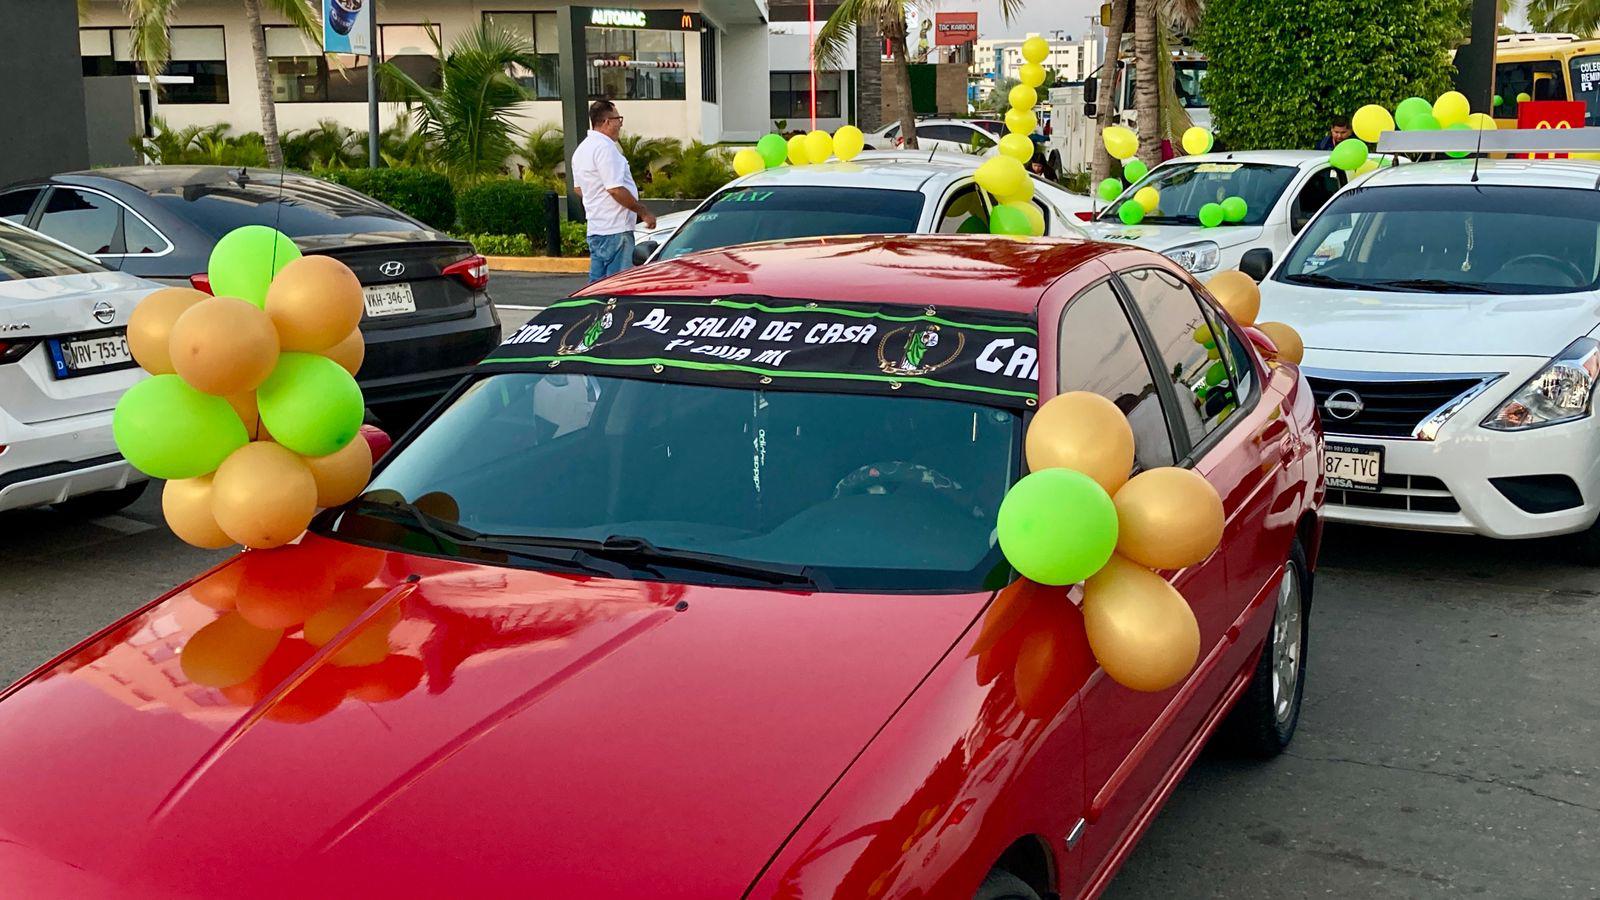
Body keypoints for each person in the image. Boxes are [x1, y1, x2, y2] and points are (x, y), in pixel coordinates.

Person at [572, 99, 656, 281]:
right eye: (618, 119)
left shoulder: (581, 150)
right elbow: (615, 189)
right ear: (607, 122)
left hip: (596, 229)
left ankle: (593, 311)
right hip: (616, 230)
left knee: (597, 288)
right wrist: (643, 212)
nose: (620, 124)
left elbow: (579, 189)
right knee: (618, 287)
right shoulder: (605, 148)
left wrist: (598, 201)